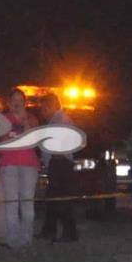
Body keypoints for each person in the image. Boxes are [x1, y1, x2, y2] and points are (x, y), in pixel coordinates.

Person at [0, 87, 41, 248]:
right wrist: (14, 118)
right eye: (14, 101)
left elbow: (32, 140)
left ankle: (26, 239)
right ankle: (12, 240)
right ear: (9, 103)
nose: (17, 104)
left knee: (27, 202)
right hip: (9, 164)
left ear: (25, 103)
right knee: (11, 202)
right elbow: (3, 139)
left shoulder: (33, 119)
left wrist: (24, 120)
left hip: (29, 165)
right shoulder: (4, 119)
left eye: (20, 101)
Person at [39, 92, 79, 242]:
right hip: (60, 163)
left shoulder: (60, 120)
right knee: (54, 199)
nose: (43, 112)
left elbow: (57, 144)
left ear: (50, 106)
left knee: (61, 200)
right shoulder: (59, 119)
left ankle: (69, 233)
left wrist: (51, 159)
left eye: (43, 108)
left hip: (60, 163)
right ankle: (49, 230)